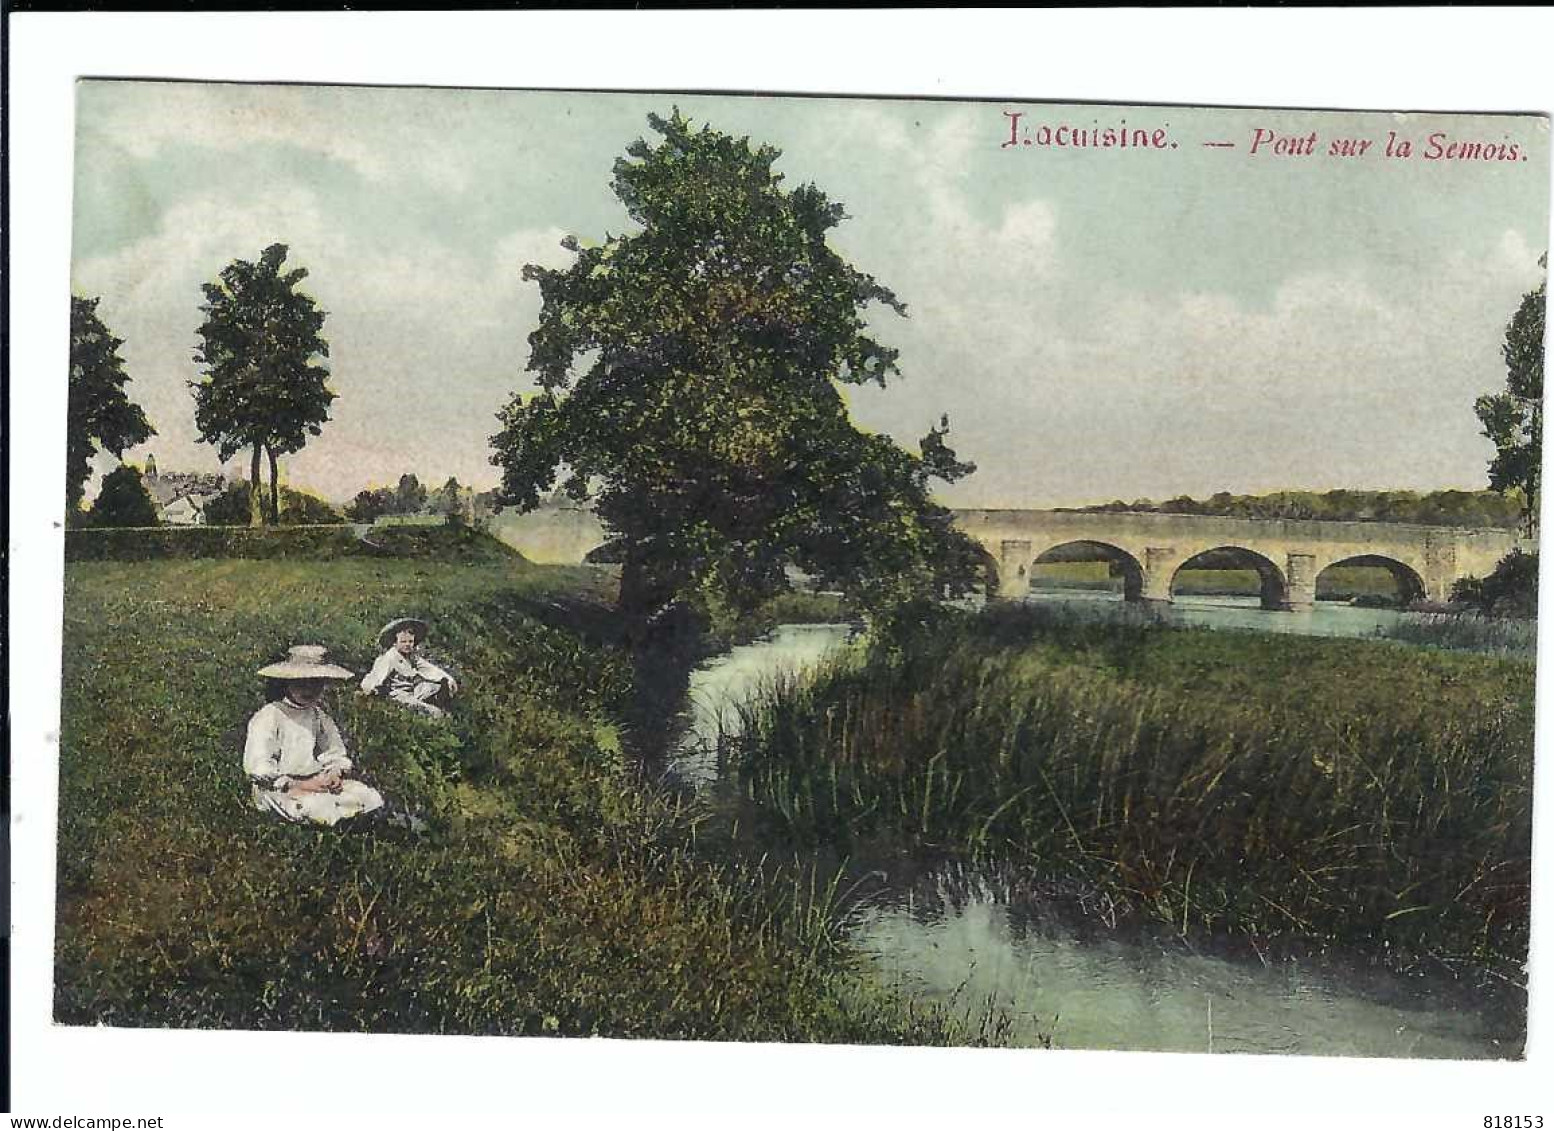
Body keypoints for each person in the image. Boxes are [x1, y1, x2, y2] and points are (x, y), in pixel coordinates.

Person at [244, 645, 385, 826]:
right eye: (302, 683)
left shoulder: (318, 715)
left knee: (369, 797)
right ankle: (325, 834)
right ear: (287, 683)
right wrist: (295, 784)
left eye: (316, 683)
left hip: (315, 781)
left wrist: (334, 772)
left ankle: (356, 829)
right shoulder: (270, 715)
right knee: (320, 808)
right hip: (277, 787)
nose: (308, 690)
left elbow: (333, 749)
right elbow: (259, 765)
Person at [359, 617, 459, 718]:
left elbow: (428, 669)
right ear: (395, 642)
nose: (407, 645)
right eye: (403, 642)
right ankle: (433, 711)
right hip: (399, 693)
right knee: (430, 710)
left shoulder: (412, 657)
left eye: (410, 642)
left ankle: (438, 700)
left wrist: (447, 678)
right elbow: (375, 675)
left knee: (433, 687)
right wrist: (370, 688)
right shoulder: (389, 658)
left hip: (414, 689)